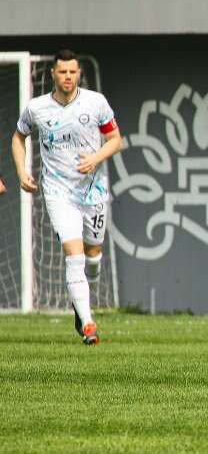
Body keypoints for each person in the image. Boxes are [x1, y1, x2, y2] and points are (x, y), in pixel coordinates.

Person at [12, 49, 122, 345]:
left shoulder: (95, 103)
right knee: (74, 257)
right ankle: (87, 324)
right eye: (62, 72)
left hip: (93, 190)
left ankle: (82, 299)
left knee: (93, 256)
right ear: (53, 74)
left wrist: (95, 158)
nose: (68, 77)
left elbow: (115, 140)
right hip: (58, 192)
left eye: (73, 72)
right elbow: (18, 137)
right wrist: (22, 171)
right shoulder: (37, 108)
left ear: (79, 73)